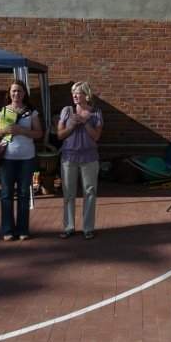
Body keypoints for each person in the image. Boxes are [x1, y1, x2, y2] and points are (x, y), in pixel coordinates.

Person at [0, 80, 43, 241]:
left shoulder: (31, 112)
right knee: (6, 194)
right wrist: (3, 130)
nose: (16, 94)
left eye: (19, 91)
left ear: (24, 94)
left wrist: (23, 131)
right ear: (9, 93)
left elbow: (39, 133)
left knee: (24, 193)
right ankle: (8, 230)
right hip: (7, 158)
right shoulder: (2, 111)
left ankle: (23, 229)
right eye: (13, 91)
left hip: (26, 158)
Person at [57, 81, 103, 240]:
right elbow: (59, 135)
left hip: (89, 158)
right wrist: (71, 126)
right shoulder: (67, 111)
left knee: (89, 192)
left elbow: (96, 136)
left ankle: (88, 228)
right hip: (68, 157)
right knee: (68, 193)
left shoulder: (96, 113)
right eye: (73, 93)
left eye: (78, 93)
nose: (75, 96)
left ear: (86, 95)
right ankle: (68, 227)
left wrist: (85, 123)